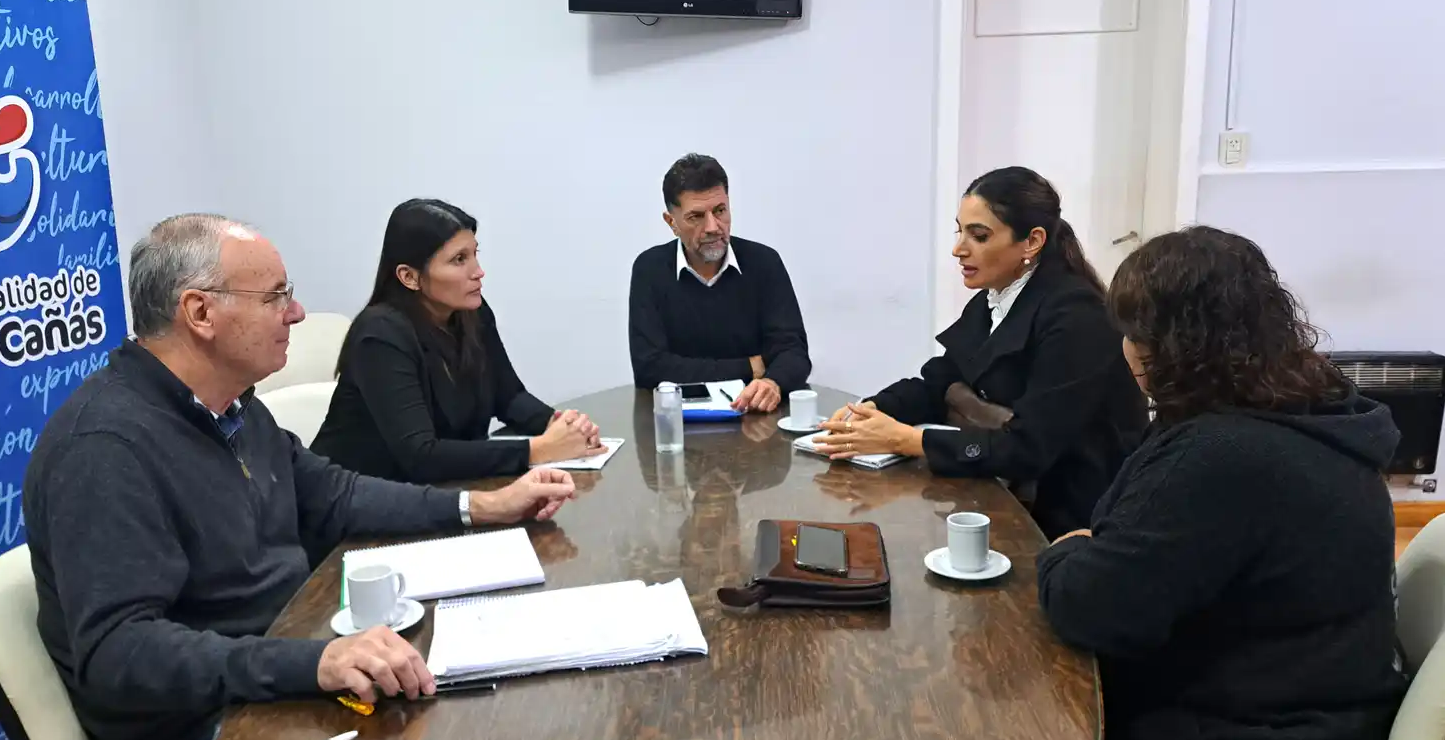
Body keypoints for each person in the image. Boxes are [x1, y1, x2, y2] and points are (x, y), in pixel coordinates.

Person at [25, 213, 578, 740]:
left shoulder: (230, 408)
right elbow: (121, 654)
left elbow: (336, 494)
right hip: (203, 730)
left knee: (502, 699)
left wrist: (479, 506)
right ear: (200, 314)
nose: (296, 314)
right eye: (275, 297)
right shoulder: (105, 451)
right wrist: (314, 663)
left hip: (287, 659)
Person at [1039, 226, 1407, 740]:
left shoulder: (1222, 455)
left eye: (1134, 333)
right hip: (1323, 721)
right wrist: (1096, 552)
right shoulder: (1308, 409)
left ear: (1173, 344)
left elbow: (1090, 605)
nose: (1127, 352)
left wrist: (1064, 553)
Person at [813, 167, 1145, 539]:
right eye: (960, 231)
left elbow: (1029, 447)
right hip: (1012, 491)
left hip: (1074, 515)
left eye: (979, 235)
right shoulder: (996, 298)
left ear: (1032, 241)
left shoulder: (1077, 316)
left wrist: (904, 440)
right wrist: (873, 409)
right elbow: (939, 380)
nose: (958, 249)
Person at [311, 198, 605, 482]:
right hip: (356, 509)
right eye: (459, 260)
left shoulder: (471, 312)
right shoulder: (380, 335)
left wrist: (561, 426)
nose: (478, 272)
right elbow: (421, 456)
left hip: (439, 494)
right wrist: (538, 450)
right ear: (409, 277)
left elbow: (509, 397)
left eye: (475, 254)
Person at [628, 153, 810, 414]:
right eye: (696, 217)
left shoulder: (764, 263)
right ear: (672, 222)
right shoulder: (650, 270)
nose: (713, 226)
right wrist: (751, 367)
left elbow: (793, 353)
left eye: (720, 211)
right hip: (678, 422)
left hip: (757, 417)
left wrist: (772, 381)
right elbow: (651, 369)